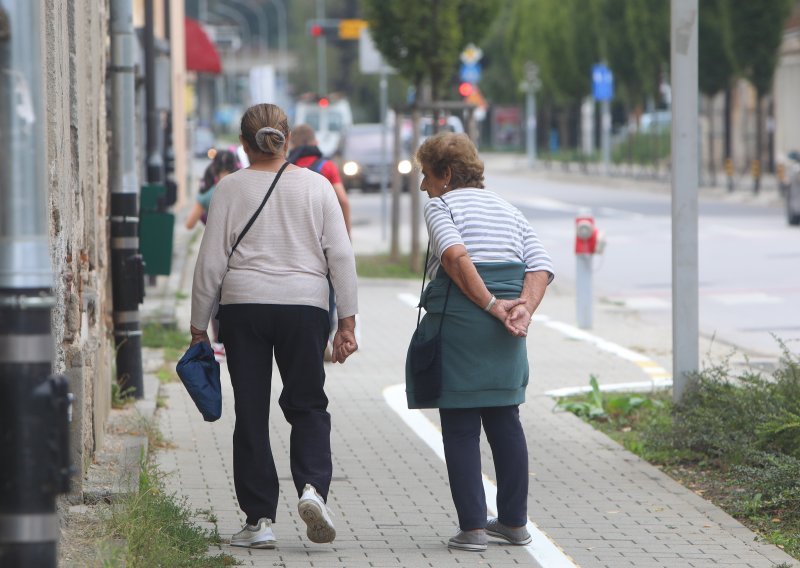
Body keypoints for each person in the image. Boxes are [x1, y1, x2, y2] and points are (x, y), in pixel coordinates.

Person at [189, 103, 358, 549]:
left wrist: (197, 326)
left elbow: (210, 262)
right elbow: (340, 256)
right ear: (287, 140)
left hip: (244, 309)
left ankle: (259, 520)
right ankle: (312, 490)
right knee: (308, 404)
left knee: (251, 411)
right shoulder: (317, 187)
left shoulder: (229, 188)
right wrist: (347, 323)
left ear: (244, 145)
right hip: (304, 308)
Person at [406, 132, 554, 552]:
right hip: (509, 333)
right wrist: (522, 308)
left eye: (426, 175)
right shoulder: (509, 209)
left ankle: (472, 527)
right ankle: (513, 522)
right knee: (506, 421)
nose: (423, 186)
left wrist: (492, 305)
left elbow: (454, 258)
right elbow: (540, 265)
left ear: (447, 174)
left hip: (464, 324)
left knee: (460, 427)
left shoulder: (441, 205)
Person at [288, 123, 353, 359]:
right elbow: (343, 200)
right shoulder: (327, 166)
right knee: (329, 289)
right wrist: (346, 235)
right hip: (325, 238)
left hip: (297, 240)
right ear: (315, 143)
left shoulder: (287, 168)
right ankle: (325, 337)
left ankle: (298, 339)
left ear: (292, 144)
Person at [185, 149, 240, 230]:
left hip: (216, 240)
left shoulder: (207, 195)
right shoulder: (243, 191)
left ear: (214, 168)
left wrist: (204, 216)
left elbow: (189, 225)